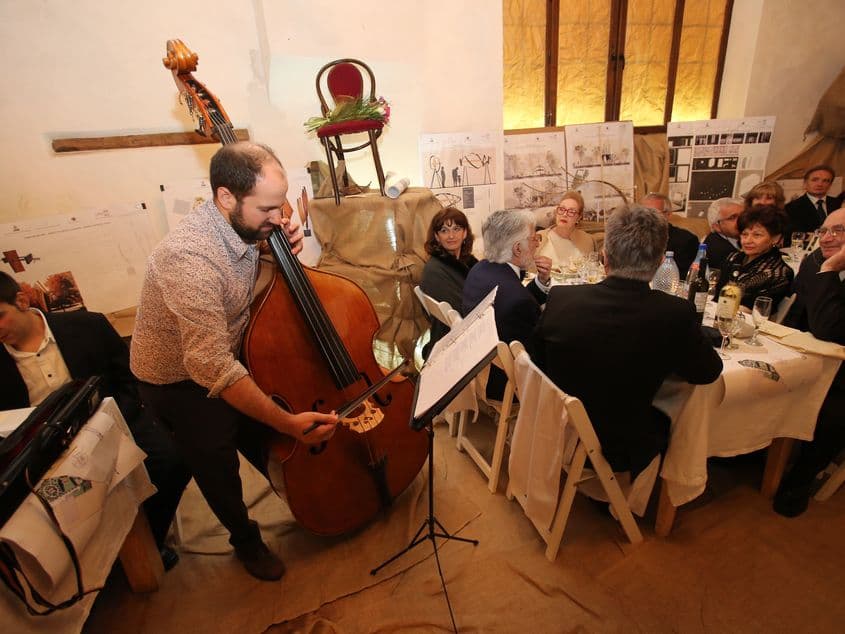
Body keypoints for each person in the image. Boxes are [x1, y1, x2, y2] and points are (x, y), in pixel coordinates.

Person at [130, 142, 338, 581]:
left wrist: (272, 249)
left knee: (262, 437)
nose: (280, 218)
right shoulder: (188, 259)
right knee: (216, 462)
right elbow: (214, 369)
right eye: (268, 209)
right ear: (226, 197)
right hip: (179, 380)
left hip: (228, 347)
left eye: (281, 205)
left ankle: (309, 496)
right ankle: (245, 540)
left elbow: (244, 286)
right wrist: (287, 422)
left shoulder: (244, 224)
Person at [0, 272, 189, 571]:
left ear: (22, 301)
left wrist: (107, 425)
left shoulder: (87, 325)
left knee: (172, 461)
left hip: (108, 422)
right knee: (26, 510)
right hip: (39, 449)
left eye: (0, 316)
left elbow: (129, 381)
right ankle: (84, 564)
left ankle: (149, 539)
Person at [532, 205, 722, 476]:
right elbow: (707, 372)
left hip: (555, 428)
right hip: (619, 445)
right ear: (660, 262)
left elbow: (537, 361)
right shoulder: (675, 313)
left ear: (605, 257)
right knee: (674, 416)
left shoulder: (562, 298)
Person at [775, 207, 845, 517]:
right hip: (813, 353)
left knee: (833, 413)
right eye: (824, 230)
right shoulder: (814, 260)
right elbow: (798, 309)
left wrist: (830, 268)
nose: (827, 238)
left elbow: (829, 328)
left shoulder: (823, 263)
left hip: (842, 374)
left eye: (839, 231)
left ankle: (801, 479)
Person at [462, 209, 551, 399]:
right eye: (534, 238)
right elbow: (539, 358)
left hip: (478, 368)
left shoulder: (479, 269)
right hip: (506, 384)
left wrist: (541, 283)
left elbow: (511, 301)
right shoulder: (517, 299)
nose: (537, 244)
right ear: (517, 249)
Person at [419, 206, 478, 358]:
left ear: (465, 233)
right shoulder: (436, 271)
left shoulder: (464, 261)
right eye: (444, 230)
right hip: (455, 345)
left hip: (459, 336)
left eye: (456, 229)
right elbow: (462, 313)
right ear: (437, 237)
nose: (451, 236)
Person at [714, 205, 794, 310]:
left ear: (775, 238)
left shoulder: (779, 273)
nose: (748, 241)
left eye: (757, 235)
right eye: (744, 234)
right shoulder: (734, 257)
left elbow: (757, 310)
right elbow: (716, 293)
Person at [641, 192, 699, 278]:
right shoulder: (633, 237)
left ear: (667, 214)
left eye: (654, 213)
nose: (647, 218)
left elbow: (683, 277)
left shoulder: (686, 240)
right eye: (643, 213)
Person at [535, 190, 596, 269]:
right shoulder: (540, 237)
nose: (564, 214)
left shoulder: (587, 240)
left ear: (579, 217)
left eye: (571, 211)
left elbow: (593, 270)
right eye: (562, 209)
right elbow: (529, 271)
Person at [784, 165, 838, 236]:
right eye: (815, 180)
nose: (820, 184)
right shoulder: (792, 208)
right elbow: (794, 235)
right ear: (805, 183)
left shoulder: (839, 204)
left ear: (830, 185)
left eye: (825, 181)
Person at [702, 197, 742, 272]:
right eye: (733, 217)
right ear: (716, 226)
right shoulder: (717, 248)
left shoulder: (740, 239)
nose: (741, 220)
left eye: (743, 215)